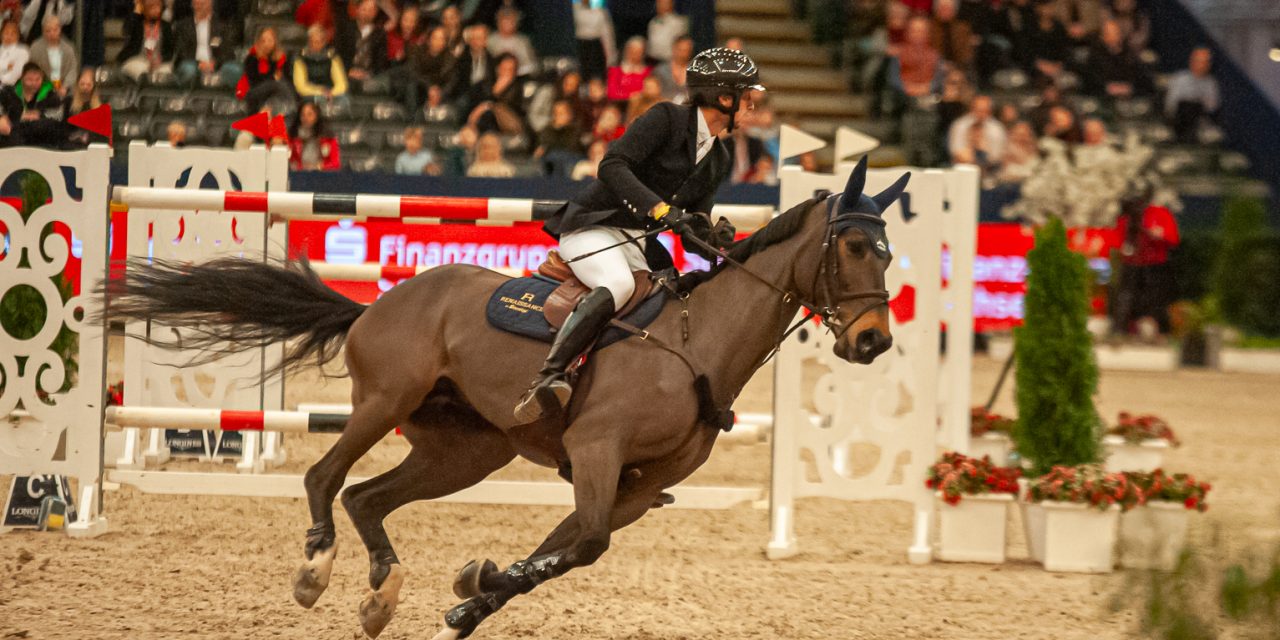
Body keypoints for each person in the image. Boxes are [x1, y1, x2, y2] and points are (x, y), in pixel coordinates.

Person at [512, 47, 765, 423]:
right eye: (747, 98)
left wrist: (715, 237)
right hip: (595, 226)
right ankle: (549, 376)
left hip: (637, 243)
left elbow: (691, 224)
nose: (752, 107)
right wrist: (660, 209)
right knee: (618, 285)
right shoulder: (665, 119)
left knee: (682, 306)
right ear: (723, 98)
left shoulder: (719, 156)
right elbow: (612, 165)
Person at [1114, 186, 1180, 336]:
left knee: (1155, 300)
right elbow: (1118, 241)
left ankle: (1158, 329)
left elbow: (1173, 239)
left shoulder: (1160, 213)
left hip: (1155, 265)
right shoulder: (1125, 218)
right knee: (1128, 298)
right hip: (1132, 265)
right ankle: (1125, 329)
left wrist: (1158, 235)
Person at [173, 0, 239, 88]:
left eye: (203, 4)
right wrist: (199, 64)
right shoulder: (182, 26)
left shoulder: (223, 27)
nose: (200, 7)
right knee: (189, 69)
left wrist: (214, 64)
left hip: (216, 63)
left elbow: (228, 52)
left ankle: (228, 99)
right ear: (192, 5)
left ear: (211, 4)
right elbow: (181, 51)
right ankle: (183, 97)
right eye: (197, 4)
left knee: (235, 69)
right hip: (192, 62)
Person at [0, 61, 62, 147]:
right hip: (13, 137)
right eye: (29, 80)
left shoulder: (51, 96)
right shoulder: (9, 93)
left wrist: (40, 114)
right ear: (22, 78)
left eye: (37, 79)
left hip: (40, 138)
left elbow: (58, 117)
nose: (34, 83)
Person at [1164, 47, 1218, 144]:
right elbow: (1170, 105)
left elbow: (1212, 107)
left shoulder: (1211, 83)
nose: (1201, 65)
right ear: (1191, 62)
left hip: (1199, 125)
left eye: (1205, 62)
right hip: (1177, 122)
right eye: (1198, 61)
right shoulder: (1180, 78)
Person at [335, 0, 389, 93]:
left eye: (371, 10)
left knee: (382, 83)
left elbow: (381, 60)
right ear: (358, 9)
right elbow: (338, 53)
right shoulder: (345, 28)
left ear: (375, 13)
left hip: (369, 74)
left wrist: (368, 73)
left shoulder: (380, 33)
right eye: (364, 9)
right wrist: (348, 70)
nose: (367, 13)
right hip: (347, 71)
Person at [236, 26, 293, 113]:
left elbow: (287, 78)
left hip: (274, 94)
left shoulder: (281, 58)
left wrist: (273, 78)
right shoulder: (252, 57)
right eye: (263, 41)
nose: (266, 44)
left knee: (277, 94)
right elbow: (253, 80)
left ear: (275, 42)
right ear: (258, 42)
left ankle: (266, 111)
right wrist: (273, 77)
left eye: (270, 40)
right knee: (277, 85)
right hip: (254, 92)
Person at [118, 0, 174, 81]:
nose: (155, 10)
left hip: (159, 62)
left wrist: (160, 59)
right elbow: (126, 30)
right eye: (151, 6)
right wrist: (137, 9)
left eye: (158, 6)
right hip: (137, 59)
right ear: (144, 8)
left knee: (164, 73)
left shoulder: (166, 27)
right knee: (142, 70)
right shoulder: (136, 23)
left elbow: (170, 51)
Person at [293, 25, 348, 107]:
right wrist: (320, 92)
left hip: (330, 92)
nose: (316, 45)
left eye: (319, 42)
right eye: (313, 41)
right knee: (314, 100)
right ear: (308, 42)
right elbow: (301, 86)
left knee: (344, 99)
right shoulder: (300, 58)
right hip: (310, 94)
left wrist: (331, 92)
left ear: (324, 42)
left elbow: (342, 84)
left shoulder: (332, 57)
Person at [947, 95, 1006, 165]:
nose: (981, 114)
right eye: (978, 110)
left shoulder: (997, 129)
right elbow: (955, 150)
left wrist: (983, 150)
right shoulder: (959, 125)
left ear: (990, 111)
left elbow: (998, 155)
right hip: (963, 165)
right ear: (971, 109)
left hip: (990, 167)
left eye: (985, 110)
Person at [535, 99, 585, 178]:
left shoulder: (576, 129)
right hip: (551, 158)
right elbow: (543, 145)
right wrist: (556, 129)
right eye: (555, 113)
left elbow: (570, 145)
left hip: (571, 157)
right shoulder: (548, 129)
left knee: (556, 157)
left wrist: (559, 129)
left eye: (561, 113)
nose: (558, 116)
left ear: (569, 115)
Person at [27, 15, 75, 93]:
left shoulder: (68, 48)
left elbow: (72, 70)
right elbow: (32, 69)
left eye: (55, 30)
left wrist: (65, 86)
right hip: (41, 87)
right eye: (48, 31)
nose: (52, 33)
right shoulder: (35, 48)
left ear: (60, 29)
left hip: (65, 87)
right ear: (43, 31)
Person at [288, 100, 341, 171]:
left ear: (317, 116)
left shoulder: (328, 137)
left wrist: (319, 166)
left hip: (322, 176)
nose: (306, 118)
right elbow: (290, 160)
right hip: (299, 175)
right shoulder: (294, 137)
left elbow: (335, 163)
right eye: (303, 115)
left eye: (310, 114)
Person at [486, 7, 537, 77]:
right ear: (498, 22)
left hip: (519, 77)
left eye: (511, 21)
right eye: (504, 21)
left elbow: (530, 64)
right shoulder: (489, 40)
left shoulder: (523, 41)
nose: (508, 24)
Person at [572, 0, 615, 82]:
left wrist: (610, 57)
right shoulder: (574, 9)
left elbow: (607, 35)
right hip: (580, 45)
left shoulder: (600, 11)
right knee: (581, 74)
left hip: (595, 47)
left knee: (596, 75)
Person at [607, 36, 651, 103]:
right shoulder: (615, 71)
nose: (635, 54)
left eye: (639, 52)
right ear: (627, 51)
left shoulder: (648, 72)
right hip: (620, 105)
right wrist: (630, 96)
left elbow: (650, 91)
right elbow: (612, 92)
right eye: (632, 51)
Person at [651, 34, 692, 102]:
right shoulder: (660, 70)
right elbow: (653, 94)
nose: (683, 54)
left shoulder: (696, 71)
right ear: (674, 49)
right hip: (664, 108)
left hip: (688, 109)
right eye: (680, 50)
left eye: (686, 50)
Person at [0, 19, 28, 88]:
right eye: (6, 33)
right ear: (1, 35)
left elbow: (12, 78)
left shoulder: (22, 52)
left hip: (9, 89)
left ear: (18, 36)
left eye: (12, 34)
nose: (9, 37)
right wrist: (7, 67)